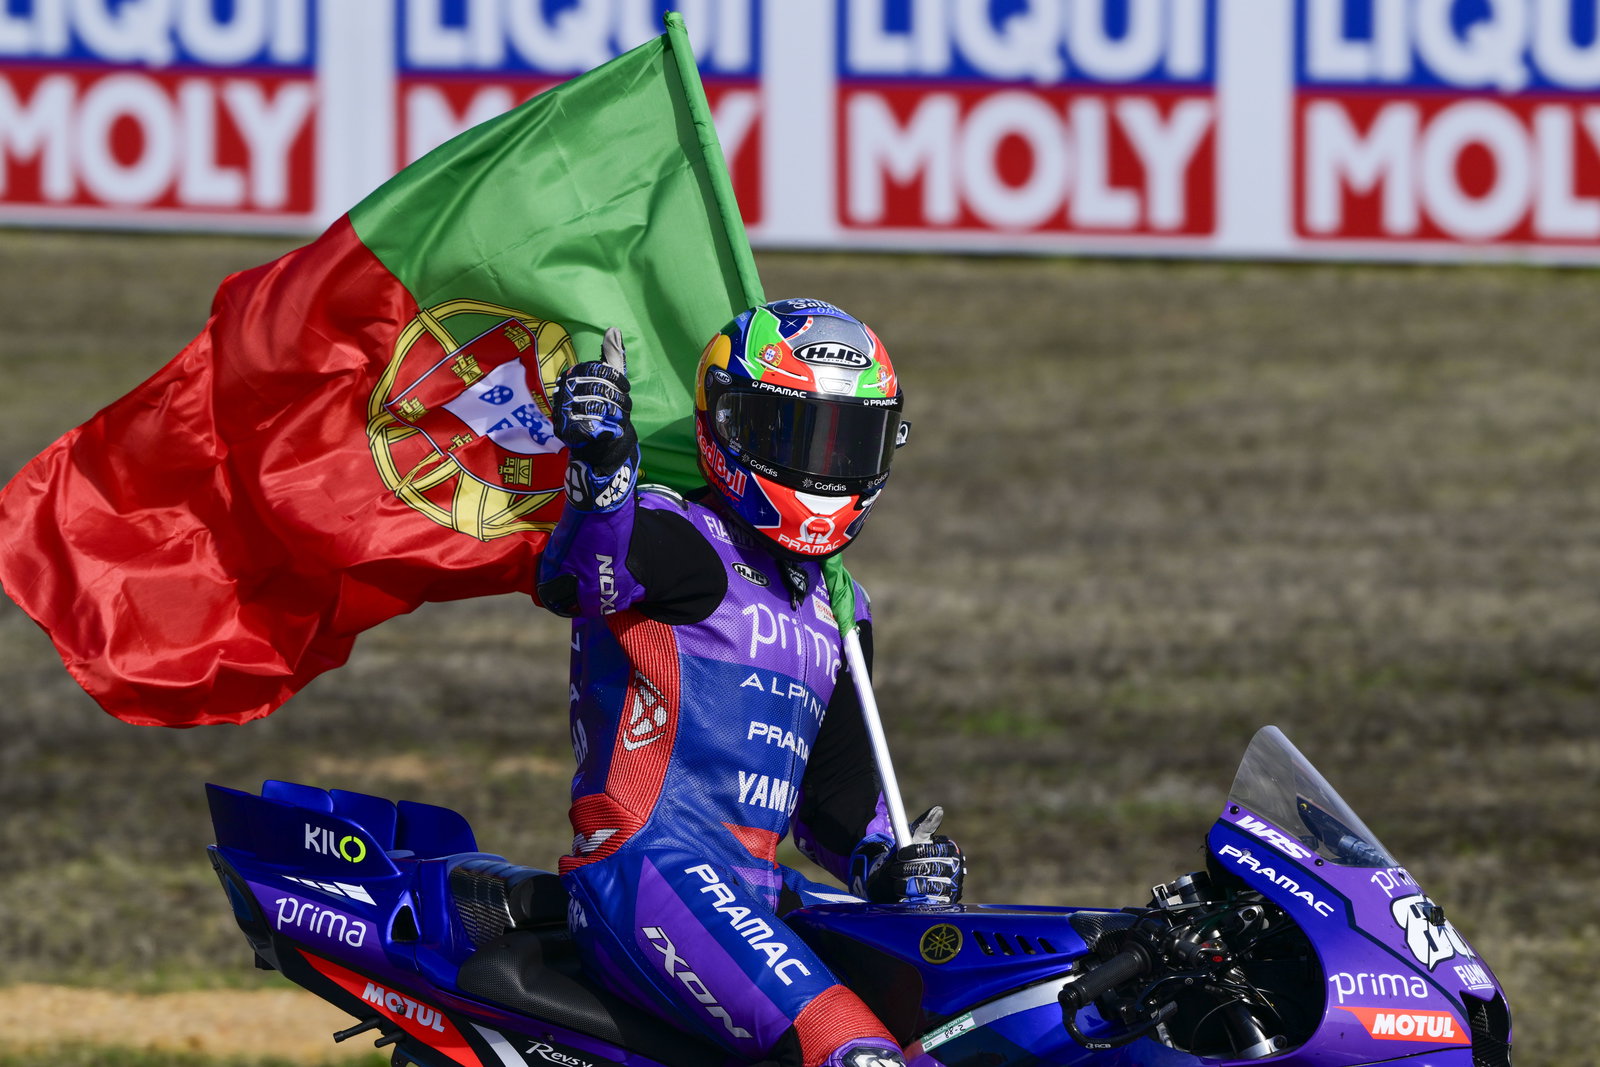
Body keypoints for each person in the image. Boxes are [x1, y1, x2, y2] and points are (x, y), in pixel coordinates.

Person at [535, 299, 964, 1067]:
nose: (825, 463)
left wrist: (889, 862)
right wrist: (601, 472)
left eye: (848, 439)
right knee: (856, 1055)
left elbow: (833, 812)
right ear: (731, 424)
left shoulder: (846, 609)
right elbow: (579, 578)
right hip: (647, 869)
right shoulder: (675, 535)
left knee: (952, 1040)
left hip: (759, 889)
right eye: (800, 432)